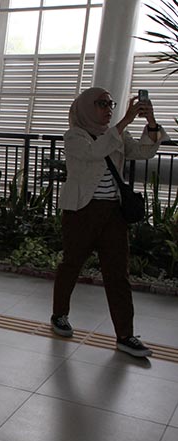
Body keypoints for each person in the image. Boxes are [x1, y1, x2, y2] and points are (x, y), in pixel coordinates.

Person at [51, 87, 167, 358]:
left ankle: (125, 335)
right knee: (71, 264)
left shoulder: (117, 134)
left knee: (118, 273)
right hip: (81, 211)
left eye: (111, 104)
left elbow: (143, 152)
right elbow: (93, 153)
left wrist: (150, 123)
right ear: (86, 108)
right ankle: (59, 314)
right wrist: (124, 121)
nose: (108, 109)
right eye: (101, 104)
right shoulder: (74, 136)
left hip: (113, 213)